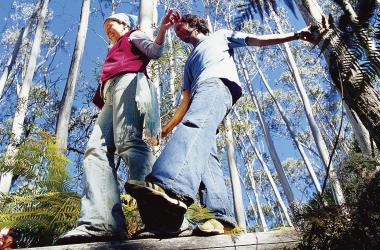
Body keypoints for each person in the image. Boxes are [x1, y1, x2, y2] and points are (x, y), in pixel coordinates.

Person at [125, 12, 318, 235]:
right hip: (201, 97)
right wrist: (166, 129)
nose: (177, 32)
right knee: (206, 153)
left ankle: (168, 186)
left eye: (180, 26)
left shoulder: (220, 36)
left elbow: (258, 40)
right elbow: (185, 102)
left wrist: (295, 35)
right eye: (175, 30)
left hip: (217, 86)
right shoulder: (189, 63)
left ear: (194, 23)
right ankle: (221, 218)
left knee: (195, 125)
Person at [56, 10, 176, 244]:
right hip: (111, 93)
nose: (108, 31)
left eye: (112, 25)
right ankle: (101, 223)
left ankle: (162, 219)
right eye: (106, 29)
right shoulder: (113, 47)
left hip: (129, 81)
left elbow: (155, 51)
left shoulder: (133, 36)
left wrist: (161, 30)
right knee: (95, 152)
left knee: (129, 143)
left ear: (124, 24)